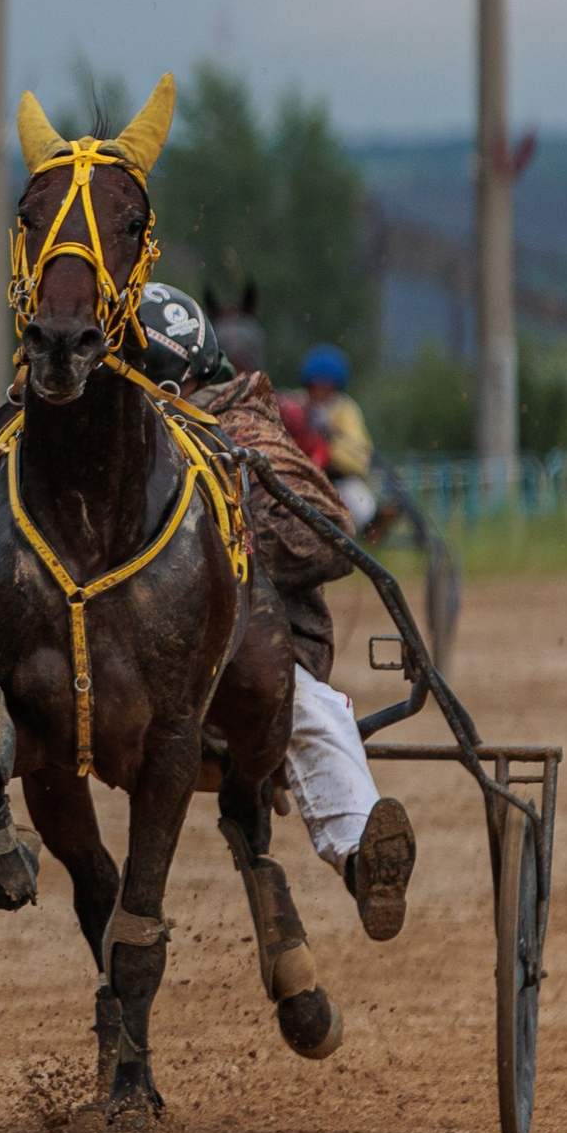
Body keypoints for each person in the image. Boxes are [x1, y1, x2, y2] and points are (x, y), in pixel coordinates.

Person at [137, 284, 414, 938]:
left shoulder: (250, 427)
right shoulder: (106, 444)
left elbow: (329, 539)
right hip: (129, 666)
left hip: (245, 656)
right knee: (311, 708)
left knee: (303, 703)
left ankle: (360, 862)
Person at [298, 343, 378, 532]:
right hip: (301, 478)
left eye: (326, 388)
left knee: (364, 508)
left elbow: (359, 459)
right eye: (316, 386)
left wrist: (328, 447)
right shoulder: (297, 405)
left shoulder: (346, 410)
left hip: (339, 481)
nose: (320, 393)